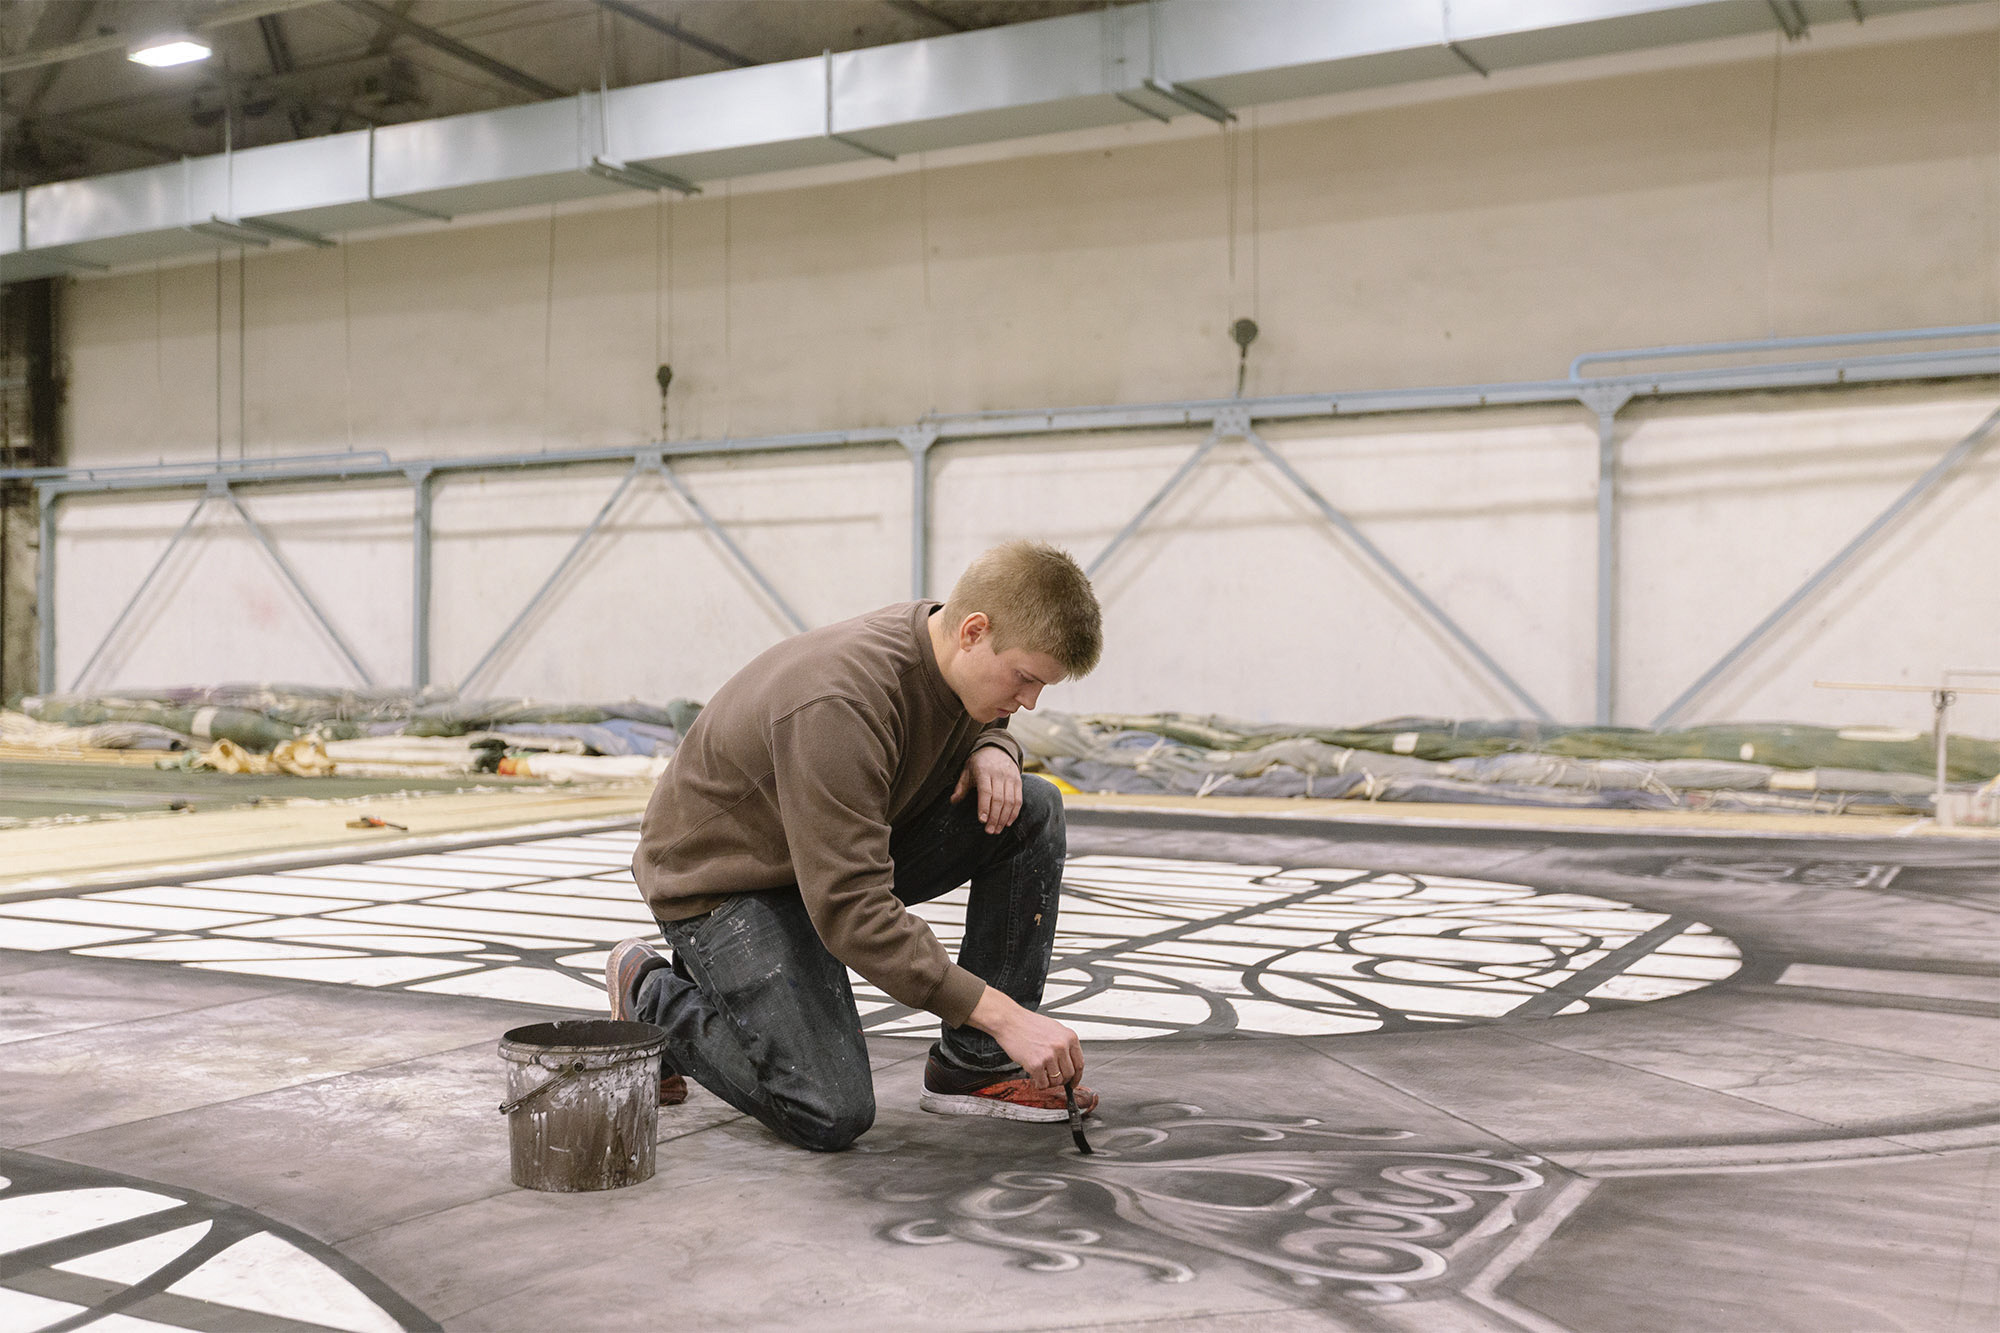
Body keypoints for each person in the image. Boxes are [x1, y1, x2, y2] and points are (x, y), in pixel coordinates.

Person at [606, 540, 1104, 1152]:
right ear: (973, 631)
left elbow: (978, 718)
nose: (1029, 701)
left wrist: (994, 745)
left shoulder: (948, 645)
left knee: (1032, 807)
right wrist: (1005, 1016)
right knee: (828, 1109)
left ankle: (977, 1066)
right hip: (722, 882)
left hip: (810, 859)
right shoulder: (841, 704)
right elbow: (851, 910)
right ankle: (651, 994)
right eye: (1025, 678)